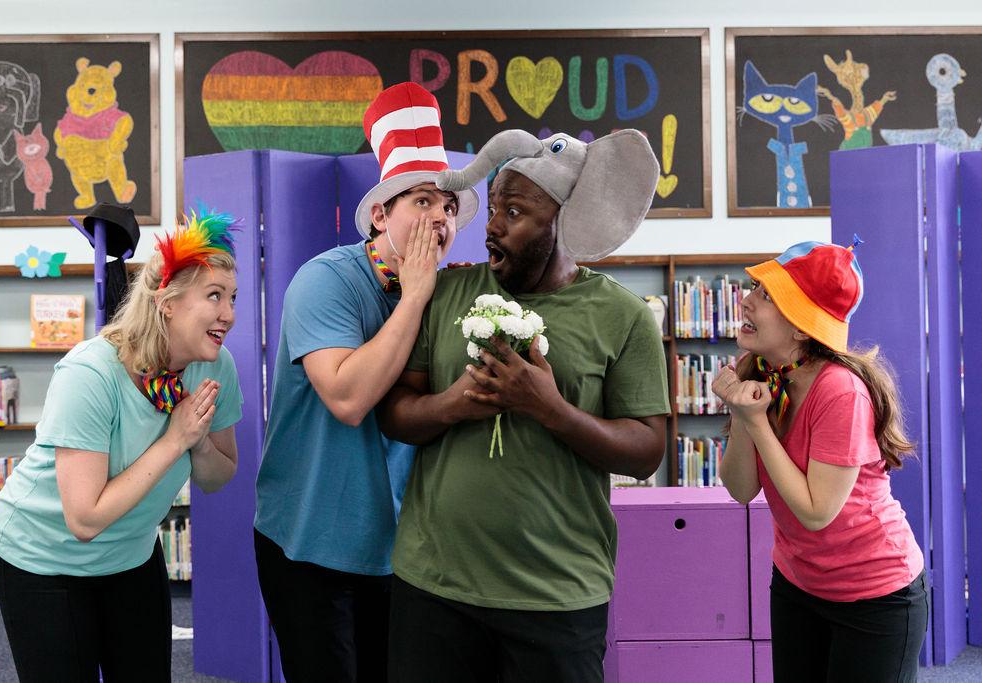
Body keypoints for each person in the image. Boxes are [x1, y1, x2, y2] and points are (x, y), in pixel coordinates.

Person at [377, 128, 668, 683]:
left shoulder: (624, 317)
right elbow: (395, 414)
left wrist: (549, 407)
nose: (491, 226)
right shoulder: (444, 294)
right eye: (493, 208)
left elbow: (646, 451)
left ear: (562, 221)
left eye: (514, 212)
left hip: (556, 598)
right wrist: (451, 406)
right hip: (434, 588)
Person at [252, 82, 479, 682]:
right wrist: (417, 298)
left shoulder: (449, 294)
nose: (440, 219)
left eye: (450, 207)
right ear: (380, 214)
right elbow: (349, 398)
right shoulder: (325, 281)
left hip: (399, 550)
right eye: (423, 202)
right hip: (309, 542)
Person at [0, 209, 244, 682]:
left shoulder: (215, 365)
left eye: (232, 298)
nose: (228, 314)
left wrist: (200, 441)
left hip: (131, 555)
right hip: (43, 556)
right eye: (214, 296)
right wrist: (175, 439)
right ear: (167, 301)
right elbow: (84, 519)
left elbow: (218, 476)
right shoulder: (91, 373)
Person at [711, 240, 927, 682]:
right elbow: (740, 489)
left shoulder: (840, 391)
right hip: (798, 584)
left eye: (767, 295)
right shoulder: (759, 369)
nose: (746, 299)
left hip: (876, 595)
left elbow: (815, 512)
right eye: (754, 286)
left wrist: (756, 423)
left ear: (802, 329)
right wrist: (741, 412)